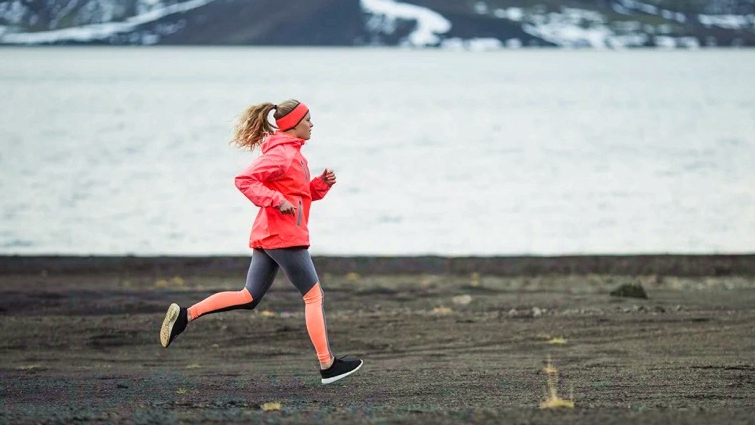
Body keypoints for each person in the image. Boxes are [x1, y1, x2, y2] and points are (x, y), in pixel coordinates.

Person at [159, 99, 363, 385]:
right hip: (284, 238)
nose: (312, 124)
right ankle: (327, 365)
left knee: (248, 297)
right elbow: (244, 180)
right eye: (308, 119)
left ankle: (185, 315)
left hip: (269, 236)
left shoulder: (292, 154)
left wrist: (320, 185)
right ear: (292, 124)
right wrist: (275, 200)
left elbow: (299, 196)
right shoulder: (283, 155)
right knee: (313, 297)